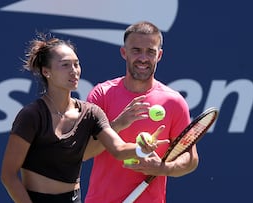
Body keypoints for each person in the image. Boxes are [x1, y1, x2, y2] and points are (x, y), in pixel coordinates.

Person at [0, 33, 168, 203]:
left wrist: (142, 149)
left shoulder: (91, 113)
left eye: (76, 64)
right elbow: (8, 175)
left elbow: (118, 149)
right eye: (65, 65)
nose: (74, 71)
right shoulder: (32, 116)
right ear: (46, 72)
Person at [84, 21, 199, 203]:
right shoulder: (101, 95)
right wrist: (118, 124)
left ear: (159, 55)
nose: (143, 58)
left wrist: (163, 168)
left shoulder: (174, 102)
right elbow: (82, 153)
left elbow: (191, 159)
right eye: (136, 50)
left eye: (150, 51)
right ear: (124, 52)